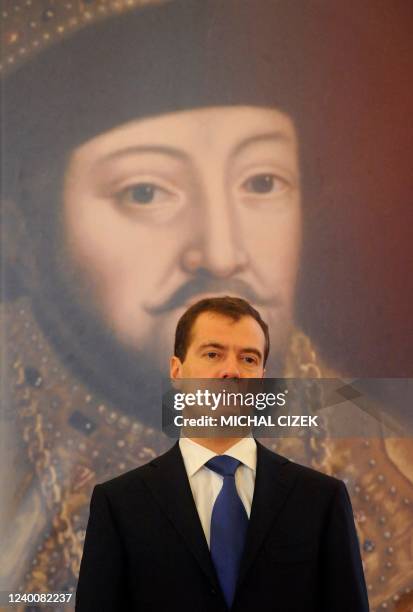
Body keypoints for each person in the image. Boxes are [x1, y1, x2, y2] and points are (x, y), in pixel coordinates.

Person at [2, 1, 413, 607]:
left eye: (262, 182)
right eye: (145, 191)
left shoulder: (374, 444)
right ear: (21, 238)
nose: (222, 252)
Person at [76, 296, 369, 611]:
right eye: (213, 354)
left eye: (248, 359)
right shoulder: (120, 504)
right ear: (176, 371)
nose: (232, 371)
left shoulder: (321, 500)